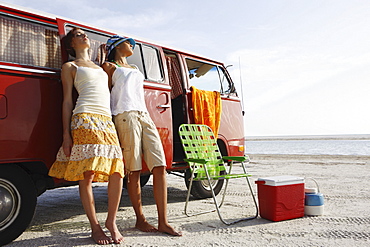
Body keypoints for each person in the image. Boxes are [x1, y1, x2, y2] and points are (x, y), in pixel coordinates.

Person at [48, 28, 125, 245]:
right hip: (84, 118)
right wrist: (66, 135)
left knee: (117, 170)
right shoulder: (70, 66)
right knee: (88, 173)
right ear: (71, 44)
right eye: (78, 35)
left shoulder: (101, 68)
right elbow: (66, 101)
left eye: (84, 34)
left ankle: (111, 221)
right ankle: (95, 226)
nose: (84, 36)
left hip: (106, 120)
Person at [102, 35, 181, 236]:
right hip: (124, 115)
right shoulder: (109, 66)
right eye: (129, 42)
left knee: (160, 165)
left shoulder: (136, 69)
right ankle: (140, 219)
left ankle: (163, 221)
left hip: (144, 114)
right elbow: (105, 94)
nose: (133, 46)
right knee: (134, 170)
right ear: (117, 45)